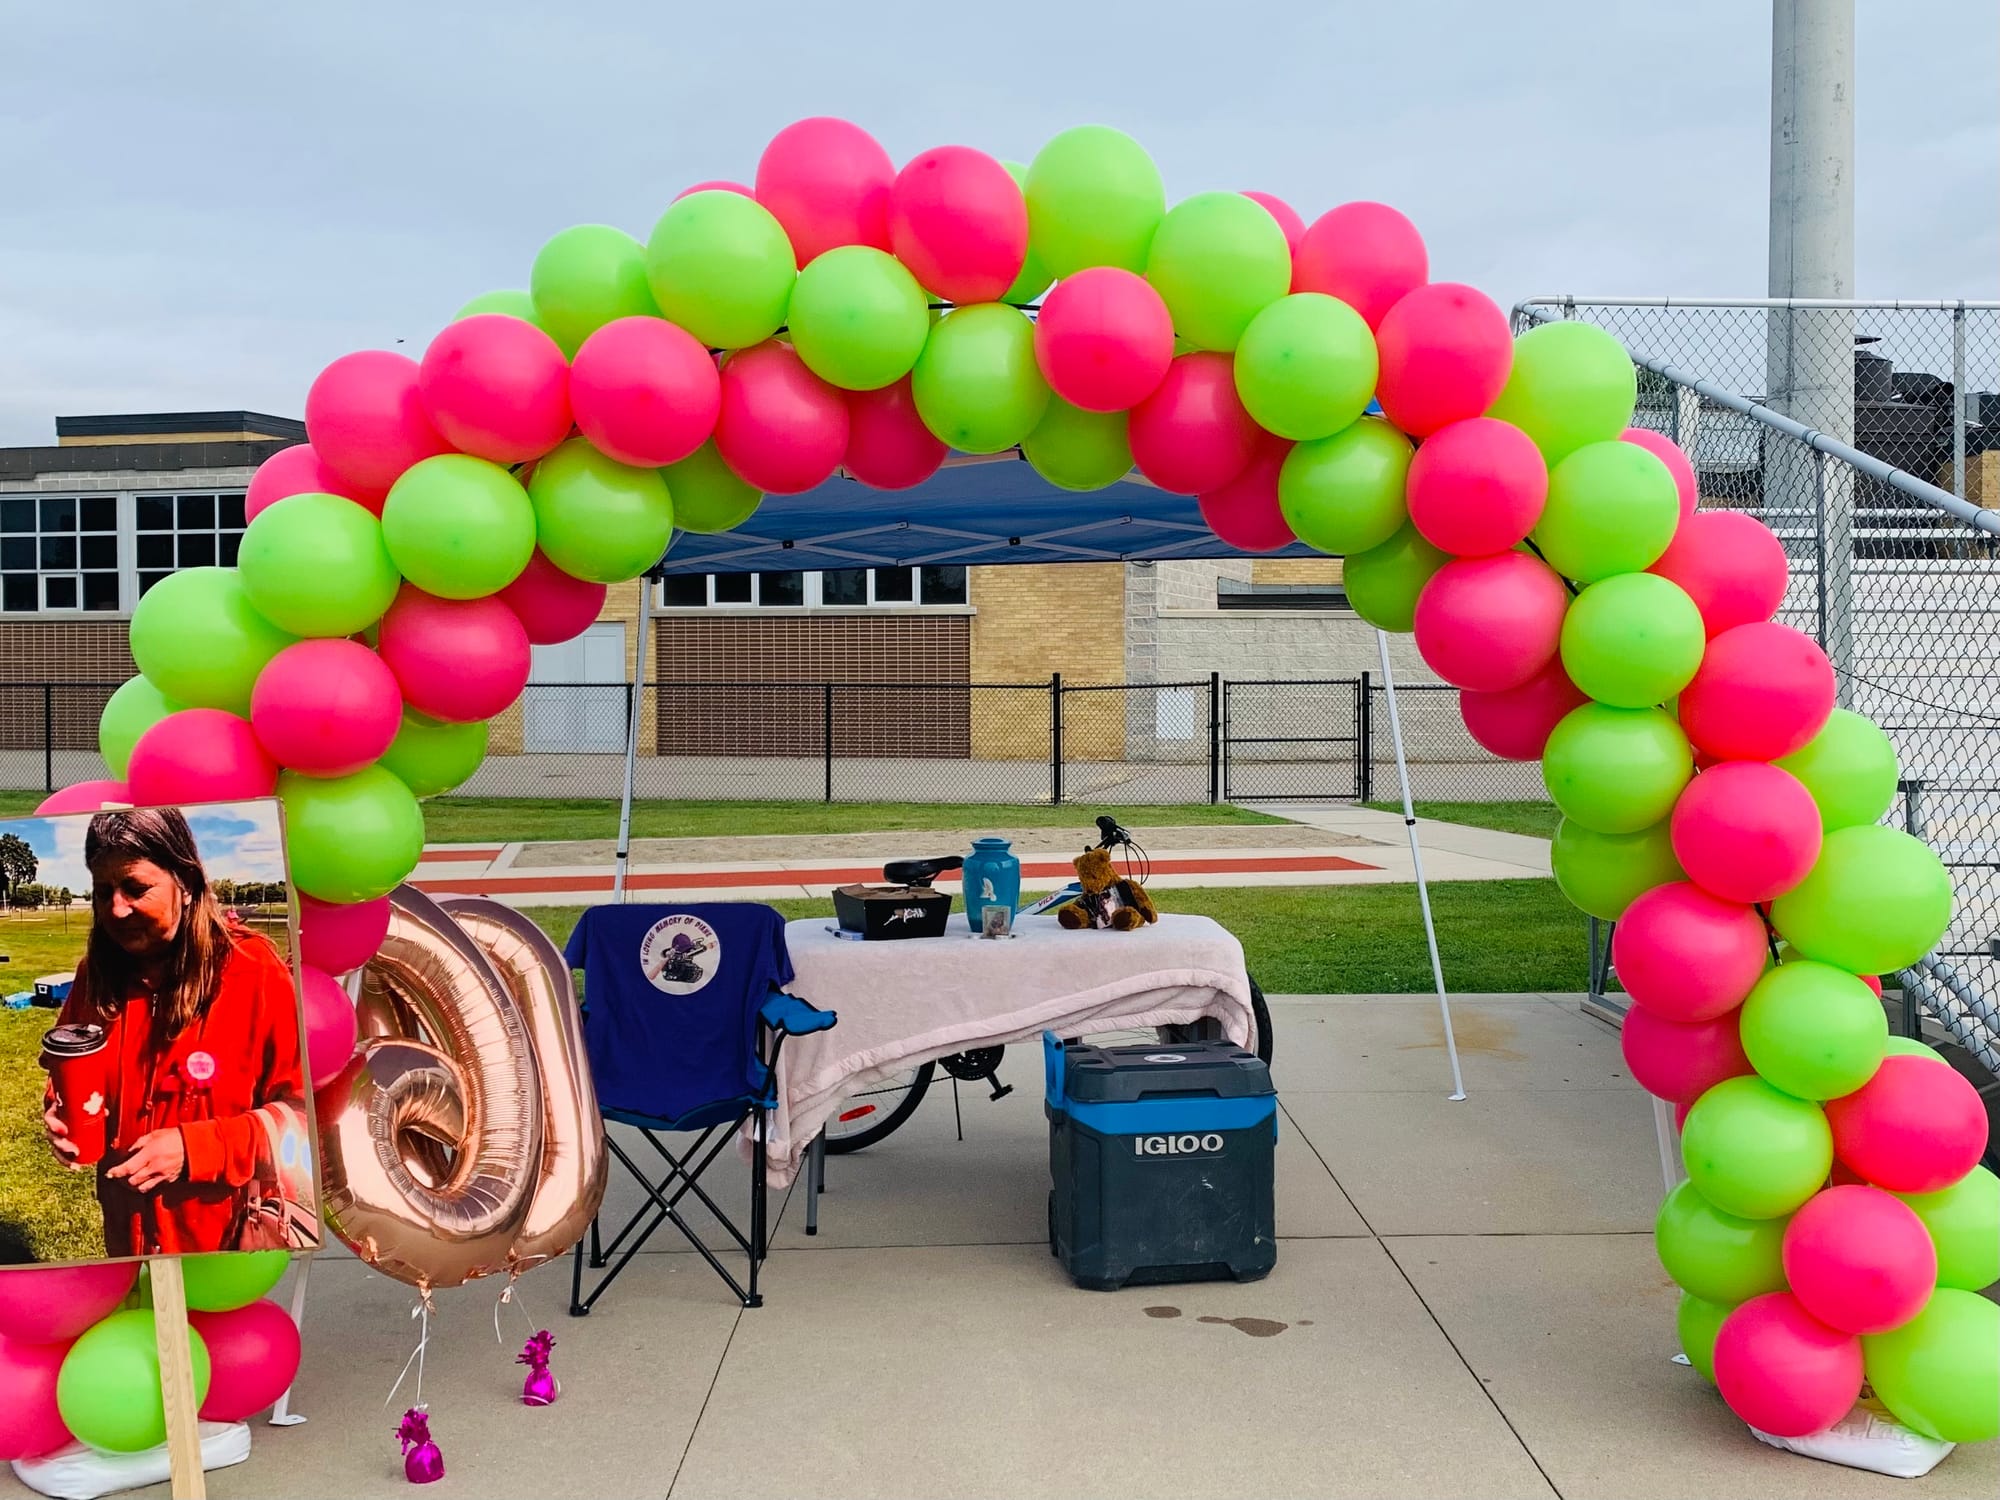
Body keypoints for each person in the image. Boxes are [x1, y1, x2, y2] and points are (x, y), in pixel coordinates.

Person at [43, 807, 308, 1256]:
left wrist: (195, 1149)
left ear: (185, 883)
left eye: (135, 888)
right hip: (125, 1241)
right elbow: (68, 1075)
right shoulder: (95, 976)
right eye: (103, 890)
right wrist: (58, 1113)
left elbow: (305, 1120)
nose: (116, 908)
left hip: (225, 1247)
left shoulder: (253, 971)